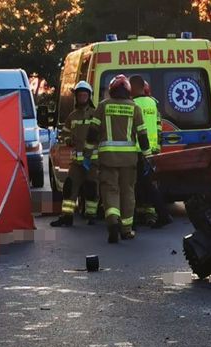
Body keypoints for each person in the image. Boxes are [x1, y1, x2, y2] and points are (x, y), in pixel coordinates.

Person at [84, 74, 151, 243]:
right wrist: (148, 156)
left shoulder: (103, 106)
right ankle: (126, 229)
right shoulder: (134, 107)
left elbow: (92, 133)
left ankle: (113, 221)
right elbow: (142, 135)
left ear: (112, 89)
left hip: (107, 158)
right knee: (128, 192)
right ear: (127, 90)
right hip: (129, 159)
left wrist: (87, 154)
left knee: (110, 190)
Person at [50, 81, 99, 227]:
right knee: (69, 188)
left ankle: (91, 215)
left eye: (85, 95)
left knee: (91, 188)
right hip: (77, 162)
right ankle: (67, 216)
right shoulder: (72, 116)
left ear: (89, 96)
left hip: (92, 161)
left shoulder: (96, 114)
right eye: (80, 95)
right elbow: (65, 133)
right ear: (76, 97)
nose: (82, 97)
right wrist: (68, 140)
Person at [129, 75, 172, 229]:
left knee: (132, 186)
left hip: (137, 151)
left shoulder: (132, 104)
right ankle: (159, 215)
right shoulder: (153, 103)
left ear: (133, 87)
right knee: (147, 185)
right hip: (152, 151)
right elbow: (158, 126)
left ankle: (135, 220)